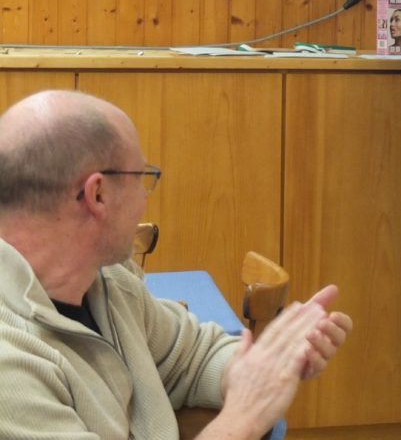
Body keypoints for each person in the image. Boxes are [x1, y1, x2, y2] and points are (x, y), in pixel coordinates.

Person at [0, 89, 352, 440]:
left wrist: (267, 365)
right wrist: (242, 419)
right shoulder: (10, 368)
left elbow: (192, 357)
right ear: (98, 194)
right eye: (140, 178)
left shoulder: (108, 282)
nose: (144, 197)